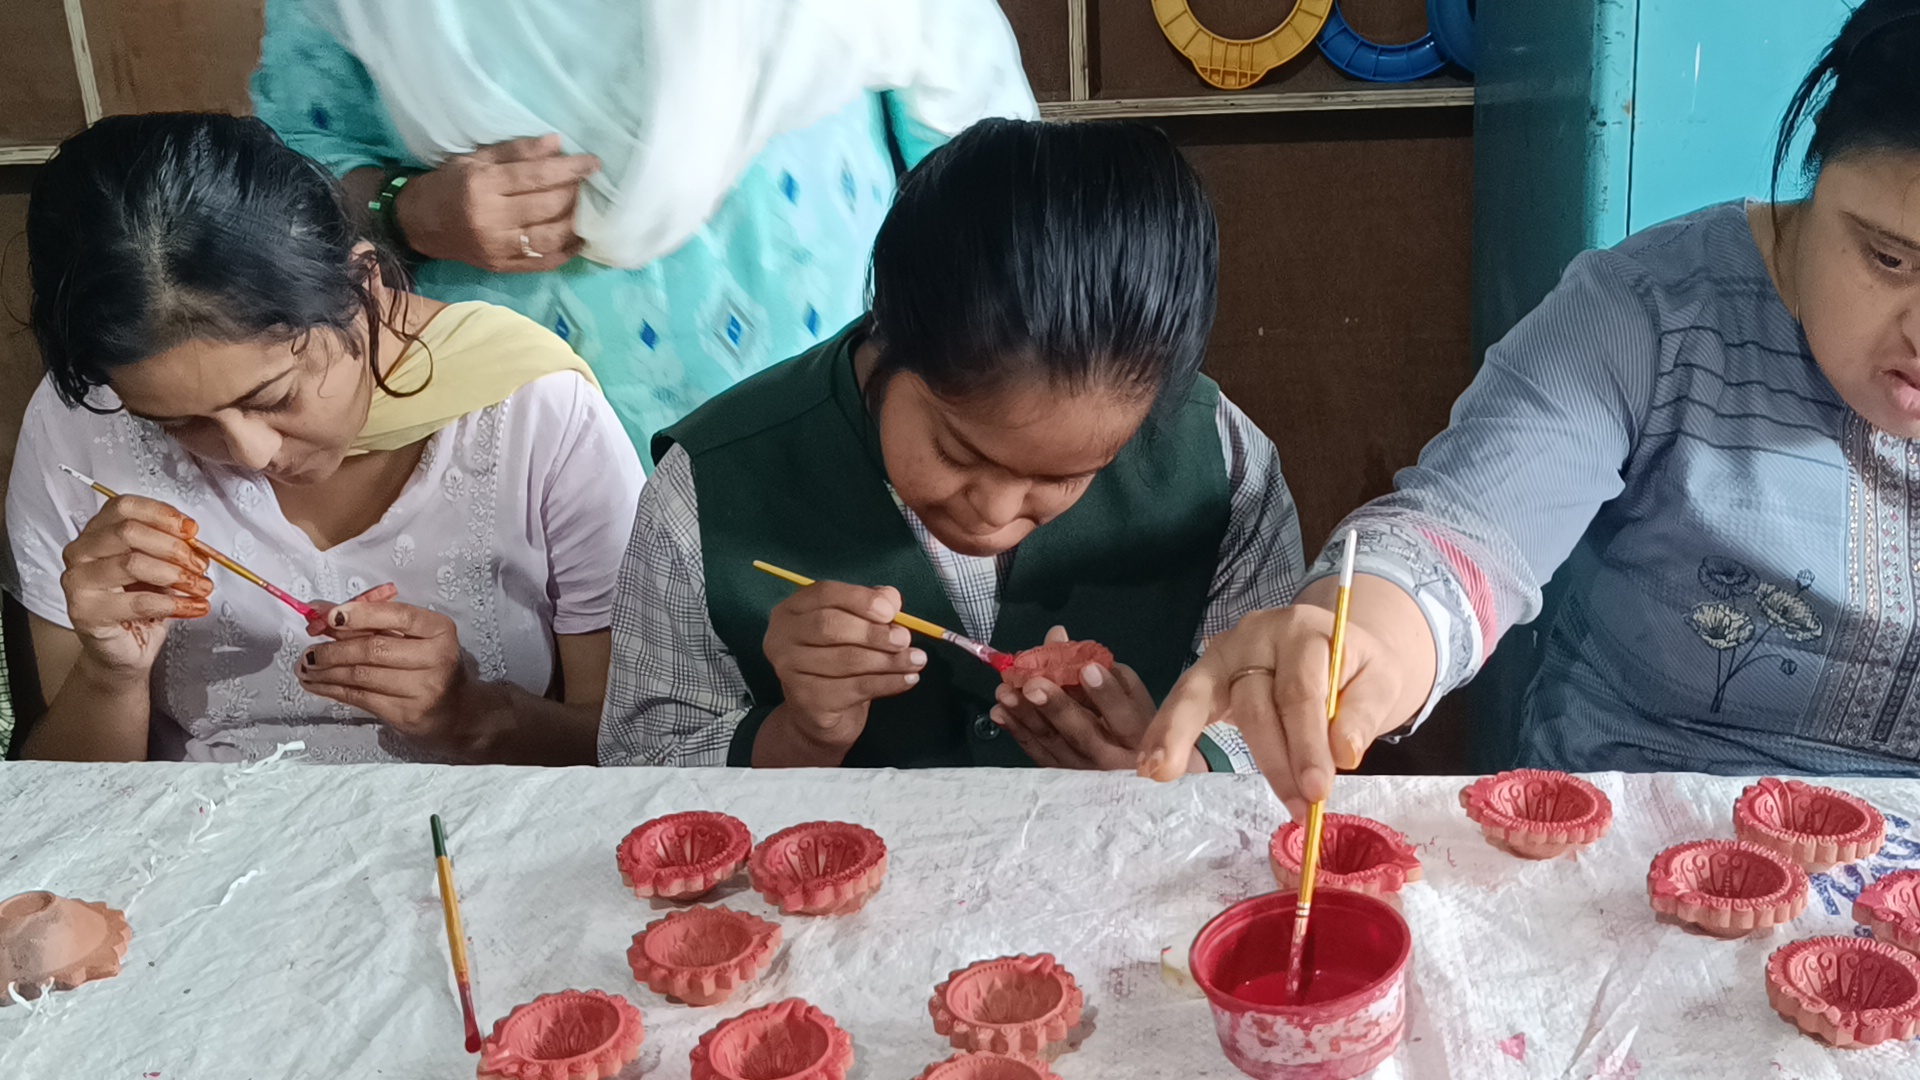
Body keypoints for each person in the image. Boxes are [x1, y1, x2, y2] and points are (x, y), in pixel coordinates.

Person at [1139, 0, 1920, 814]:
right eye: (1889, 258)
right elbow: (1467, 531)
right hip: (1621, 838)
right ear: (1816, 165)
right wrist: (1357, 637)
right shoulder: (1650, 315)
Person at [600, 118, 1304, 772]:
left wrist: (1187, 764)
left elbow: (1277, 716)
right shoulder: (708, 490)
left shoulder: (1220, 464)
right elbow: (640, 763)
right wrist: (799, 735)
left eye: (1062, 478)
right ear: (888, 332)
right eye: (959, 453)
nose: (994, 514)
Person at [6, 114, 644, 765]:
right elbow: (59, 792)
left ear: (364, 286)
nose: (251, 454)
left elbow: (645, 747)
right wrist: (110, 676)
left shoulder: (535, 412)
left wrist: (473, 717)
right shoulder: (86, 422)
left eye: (275, 397)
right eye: (177, 425)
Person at [251, 0, 1036, 455]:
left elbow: (984, 163)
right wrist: (409, 210)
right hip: (530, 426)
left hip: (835, 401)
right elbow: (282, 179)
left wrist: (971, 401)